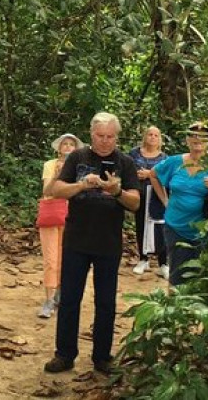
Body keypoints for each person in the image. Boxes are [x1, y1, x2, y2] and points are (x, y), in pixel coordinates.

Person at [43, 112, 140, 375]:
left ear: (116, 137)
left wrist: (116, 191)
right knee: (70, 300)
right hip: (76, 240)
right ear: (91, 134)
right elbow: (56, 190)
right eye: (100, 136)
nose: (105, 141)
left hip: (108, 243)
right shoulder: (78, 157)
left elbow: (135, 203)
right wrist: (81, 185)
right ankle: (64, 355)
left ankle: (102, 356)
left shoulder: (126, 162)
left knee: (106, 302)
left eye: (110, 137)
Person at [147, 122, 208, 288]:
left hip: (207, 232)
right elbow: (154, 174)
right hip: (176, 227)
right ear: (187, 139)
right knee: (177, 278)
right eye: (193, 135)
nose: (198, 139)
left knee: (207, 279)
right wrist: (165, 201)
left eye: (203, 136)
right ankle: (176, 313)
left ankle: (204, 312)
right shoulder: (175, 162)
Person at [36, 133, 84, 319]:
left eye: (72, 144)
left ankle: (60, 295)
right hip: (52, 212)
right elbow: (47, 189)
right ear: (59, 147)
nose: (68, 147)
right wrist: (57, 175)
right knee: (50, 258)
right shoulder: (49, 164)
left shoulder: (79, 166)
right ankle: (48, 299)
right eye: (65, 144)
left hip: (73, 214)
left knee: (67, 258)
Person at [128, 126, 169, 279]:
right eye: (150, 134)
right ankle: (143, 259)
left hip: (158, 197)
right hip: (139, 195)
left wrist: (150, 174)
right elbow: (126, 170)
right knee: (141, 226)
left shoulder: (165, 158)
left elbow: (167, 176)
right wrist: (136, 176)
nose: (152, 137)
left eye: (156, 135)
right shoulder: (134, 153)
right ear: (145, 137)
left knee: (160, 227)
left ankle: (163, 263)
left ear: (160, 139)